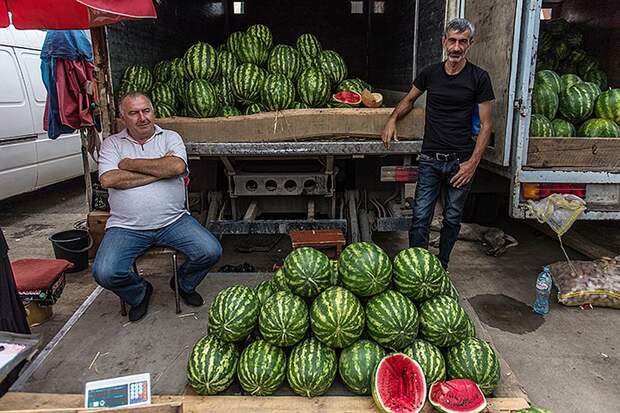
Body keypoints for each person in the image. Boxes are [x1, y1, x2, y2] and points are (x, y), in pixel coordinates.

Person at [93, 92, 222, 322]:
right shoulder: (112, 144)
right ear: (123, 117)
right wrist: (158, 172)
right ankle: (139, 292)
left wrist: (130, 164)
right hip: (126, 226)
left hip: (173, 221)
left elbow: (176, 167)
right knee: (104, 272)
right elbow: (109, 180)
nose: (142, 117)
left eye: (146, 111)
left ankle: (183, 283)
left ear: (154, 112)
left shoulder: (170, 137)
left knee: (211, 251)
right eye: (134, 113)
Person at [382, 18, 495, 269]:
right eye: (452, 40)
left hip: (460, 162)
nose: (456, 47)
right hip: (431, 159)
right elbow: (410, 99)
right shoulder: (430, 73)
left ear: (470, 44)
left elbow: (487, 124)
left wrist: (473, 164)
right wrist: (391, 119)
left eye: (462, 42)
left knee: (452, 219)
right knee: (421, 216)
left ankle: (441, 266)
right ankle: (415, 267)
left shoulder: (479, 78)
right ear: (444, 41)